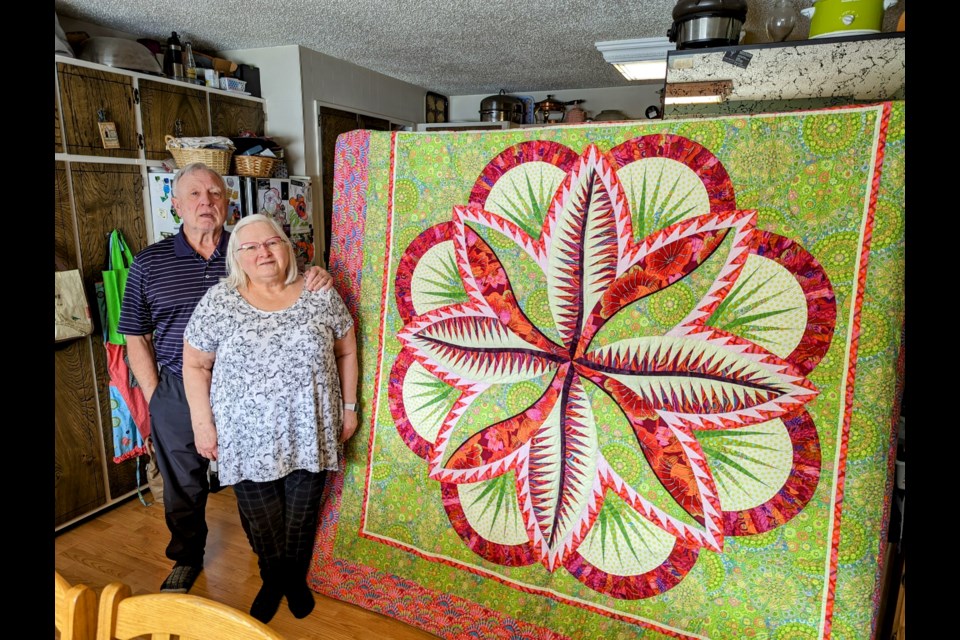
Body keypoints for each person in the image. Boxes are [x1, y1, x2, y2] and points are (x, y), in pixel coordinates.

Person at [117, 163, 333, 595]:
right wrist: (160, 396)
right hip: (180, 384)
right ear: (175, 204)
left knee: (260, 475)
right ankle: (186, 556)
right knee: (183, 481)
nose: (206, 203)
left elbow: (298, 279)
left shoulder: (250, 245)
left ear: (228, 201)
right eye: (194, 195)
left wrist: (319, 274)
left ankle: (272, 559)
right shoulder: (149, 263)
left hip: (256, 390)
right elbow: (135, 334)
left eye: (215, 194)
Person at [182, 213, 358, 622]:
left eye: (272, 242)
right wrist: (202, 423)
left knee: (301, 517)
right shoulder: (220, 300)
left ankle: (292, 580)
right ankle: (272, 577)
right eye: (250, 246)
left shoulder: (319, 292)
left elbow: (347, 349)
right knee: (263, 522)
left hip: (310, 430)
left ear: (287, 247)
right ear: (236, 257)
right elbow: (194, 365)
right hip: (244, 437)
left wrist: (349, 408)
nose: (263, 252)